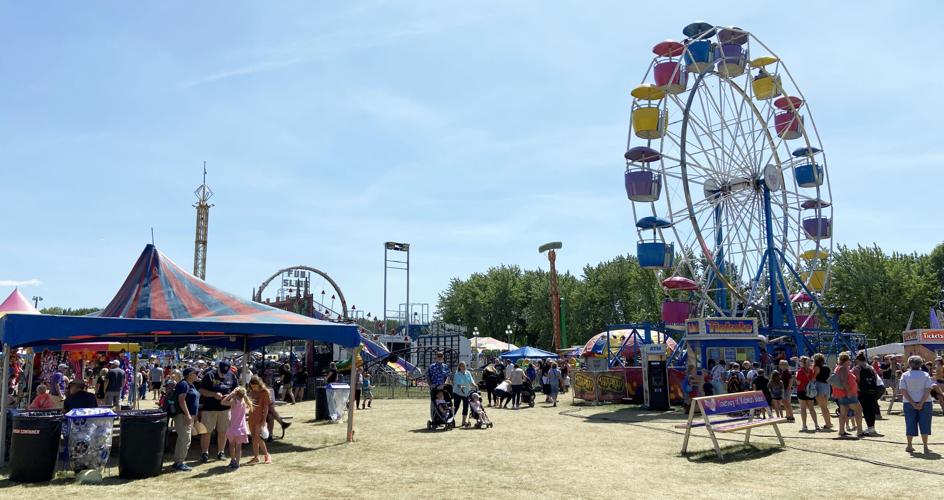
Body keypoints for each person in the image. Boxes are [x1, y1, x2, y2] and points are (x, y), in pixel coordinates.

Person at [198, 360, 238, 463]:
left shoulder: (232, 376)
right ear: (218, 368)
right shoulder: (209, 375)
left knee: (223, 432)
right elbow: (201, 390)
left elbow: (236, 390)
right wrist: (213, 394)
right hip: (209, 409)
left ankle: (221, 452)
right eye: (221, 372)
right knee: (207, 431)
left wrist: (230, 396)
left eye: (225, 372)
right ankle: (205, 453)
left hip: (225, 410)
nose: (223, 375)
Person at [900, 355, 934, 454]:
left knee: (910, 423)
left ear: (909, 364)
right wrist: (921, 402)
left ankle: (909, 445)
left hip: (908, 403)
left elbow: (903, 390)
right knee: (925, 424)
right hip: (926, 402)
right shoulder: (925, 375)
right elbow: (928, 389)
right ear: (921, 364)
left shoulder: (905, 375)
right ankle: (925, 447)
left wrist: (913, 403)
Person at [173, 368, 200, 471]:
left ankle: (178, 462)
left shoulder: (190, 385)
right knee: (185, 439)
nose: (197, 374)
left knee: (183, 439)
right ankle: (180, 462)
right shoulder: (184, 384)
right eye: (195, 373)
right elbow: (181, 400)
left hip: (188, 415)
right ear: (189, 375)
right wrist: (187, 414)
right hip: (183, 416)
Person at [833, 352, 863, 438]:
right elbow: (844, 381)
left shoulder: (838, 368)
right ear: (846, 360)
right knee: (858, 410)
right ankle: (859, 431)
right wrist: (849, 391)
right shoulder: (843, 368)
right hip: (848, 394)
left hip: (841, 394)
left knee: (843, 413)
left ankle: (841, 431)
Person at [221, 386, 252, 469]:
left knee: (232, 446)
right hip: (241, 428)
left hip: (233, 427)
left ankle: (233, 460)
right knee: (239, 447)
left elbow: (223, 402)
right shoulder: (243, 402)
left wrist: (230, 395)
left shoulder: (234, 401)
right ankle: (237, 463)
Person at [247, 376, 273, 464]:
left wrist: (263, 420)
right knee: (254, 438)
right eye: (252, 386)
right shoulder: (251, 392)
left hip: (260, 418)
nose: (253, 388)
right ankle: (256, 457)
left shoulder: (265, 392)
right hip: (251, 418)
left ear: (259, 384)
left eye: (255, 386)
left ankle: (267, 455)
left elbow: (266, 407)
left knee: (257, 438)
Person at [856, 352, 882, 436]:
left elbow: (856, 379)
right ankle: (872, 427)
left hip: (863, 391)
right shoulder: (870, 367)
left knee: (866, 410)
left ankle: (870, 427)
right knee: (871, 409)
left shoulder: (858, 368)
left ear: (857, 360)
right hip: (873, 390)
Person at [795, 356, 819, 431]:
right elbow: (813, 379)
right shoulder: (811, 370)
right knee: (811, 408)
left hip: (801, 390)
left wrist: (795, 378)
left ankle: (804, 425)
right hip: (810, 391)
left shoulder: (800, 371)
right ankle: (816, 425)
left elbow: (798, 383)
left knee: (803, 409)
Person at [811, 354, 834, 430]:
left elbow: (814, 377)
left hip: (820, 386)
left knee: (822, 407)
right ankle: (829, 422)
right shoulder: (827, 368)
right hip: (827, 387)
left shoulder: (817, 367)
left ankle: (828, 424)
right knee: (825, 406)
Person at [452, 361, 475, 426]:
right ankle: (450, 419)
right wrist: (460, 386)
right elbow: (457, 382)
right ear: (459, 367)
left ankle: (463, 421)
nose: (463, 367)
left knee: (466, 407)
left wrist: (474, 384)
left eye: (464, 366)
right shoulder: (457, 374)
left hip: (466, 392)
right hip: (458, 392)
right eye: (461, 366)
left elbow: (471, 380)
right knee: (456, 406)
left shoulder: (468, 373)